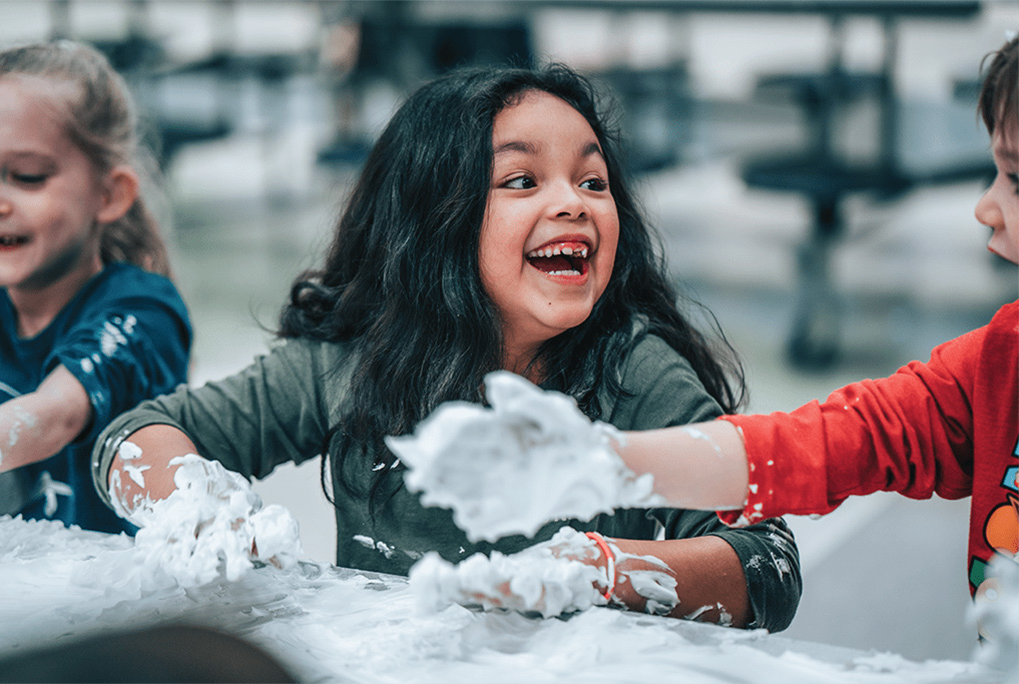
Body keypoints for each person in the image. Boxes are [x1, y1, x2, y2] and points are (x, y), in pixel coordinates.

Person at [90, 63, 801, 630]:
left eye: (594, 181)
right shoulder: (355, 360)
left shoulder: (628, 372)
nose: (574, 202)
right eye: (522, 180)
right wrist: (199, 511)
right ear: (432, 221)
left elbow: (767, 563)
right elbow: (138, 435)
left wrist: (596, 572)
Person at [614, 35, 1018, 636]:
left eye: (1014, 178)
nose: (985, 206)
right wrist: (594, 463)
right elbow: (829, 442)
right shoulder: (998, 362)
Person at [0, 41, 192, 535]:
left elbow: (51, 418)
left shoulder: (142, 312)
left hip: (119, 602)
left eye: (26, 176)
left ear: (109, 194)